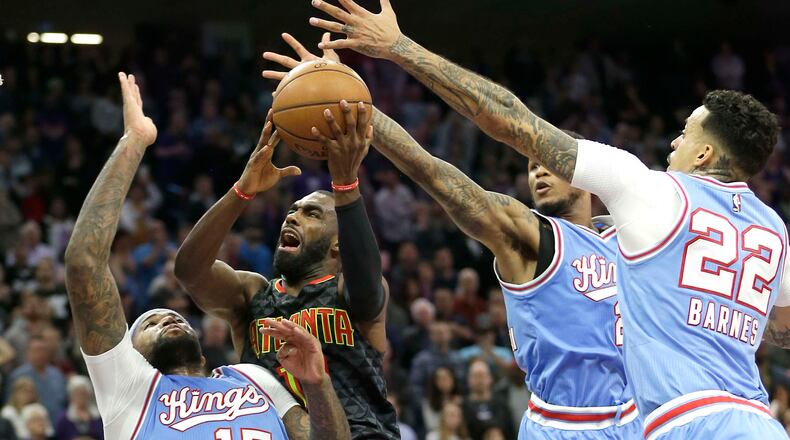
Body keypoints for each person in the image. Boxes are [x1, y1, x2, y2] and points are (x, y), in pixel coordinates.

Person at [308, 3, 790, 438]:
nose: (672, 145)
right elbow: (782, 329)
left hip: (681, 421)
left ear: (704, 152)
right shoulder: (772, 228)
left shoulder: (652, 195)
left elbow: (511, 117)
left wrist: (399, 48)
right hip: (743, 420)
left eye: (683, 135)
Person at [263, 33, 639, 438]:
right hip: (567, 423)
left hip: (640, 417)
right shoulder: (528, 234)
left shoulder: (628, 239)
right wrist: (356, 104)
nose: (538, 171)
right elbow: (432, 171)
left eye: (547, 162)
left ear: (586, 176)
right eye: (531, 167)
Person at [64, 72, 351, 439]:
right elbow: (83, 263)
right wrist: (134, 141)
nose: (167, 320)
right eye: (149, 324)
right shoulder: (130, 388)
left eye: (170, 316)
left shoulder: (252, 378)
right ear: (130, 355)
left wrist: (317, 384)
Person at [175, 38, 398, 438]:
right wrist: (242, 190)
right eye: (292, 210)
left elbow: (367, 285)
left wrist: (346, 186)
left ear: (337, 243)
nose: (292, 216)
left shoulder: (350, 288)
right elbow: (190, 270)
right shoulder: (252, 294)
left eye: (311, 214)